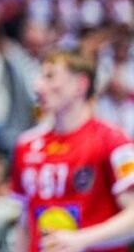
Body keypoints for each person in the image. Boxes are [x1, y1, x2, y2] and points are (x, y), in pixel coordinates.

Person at [11, 50, 134, 252]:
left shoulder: (113, 141)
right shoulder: (26, 145)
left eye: (50, 76)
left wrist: (83, 239)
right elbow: (24, 223)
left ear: (81, 84)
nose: (38, 86)